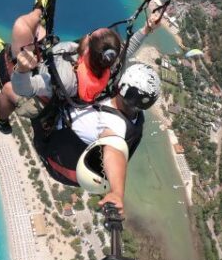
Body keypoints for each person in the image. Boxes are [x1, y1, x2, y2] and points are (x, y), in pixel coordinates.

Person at [0, 0, 165, 134]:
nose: (87, 34)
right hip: (54, 68)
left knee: (8, 90)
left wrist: (22, 70)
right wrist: (147, 29)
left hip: (47, 100)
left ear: (86, 50)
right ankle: (16, 50)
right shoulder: (110, 66)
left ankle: (0, 120)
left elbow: (24, 89)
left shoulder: (66, 76)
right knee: (38, 32)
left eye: (90, 35)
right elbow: (127, 49)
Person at [27, 62, 161, 215]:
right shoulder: (132, 115)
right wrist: (141, 36)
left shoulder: (116, 125)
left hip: (52, 144)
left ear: (122, 87)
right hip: (65, 145)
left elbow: (113, 151)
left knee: (28, 87)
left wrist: (117, 192)